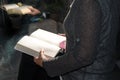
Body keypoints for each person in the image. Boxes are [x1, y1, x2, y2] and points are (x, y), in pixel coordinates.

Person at [34, 0, 120, 80]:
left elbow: (83, 57)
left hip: (86, 75)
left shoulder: (88, 2)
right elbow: (105, 30)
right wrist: (75, 35)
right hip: (106, 70)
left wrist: (47, 64)